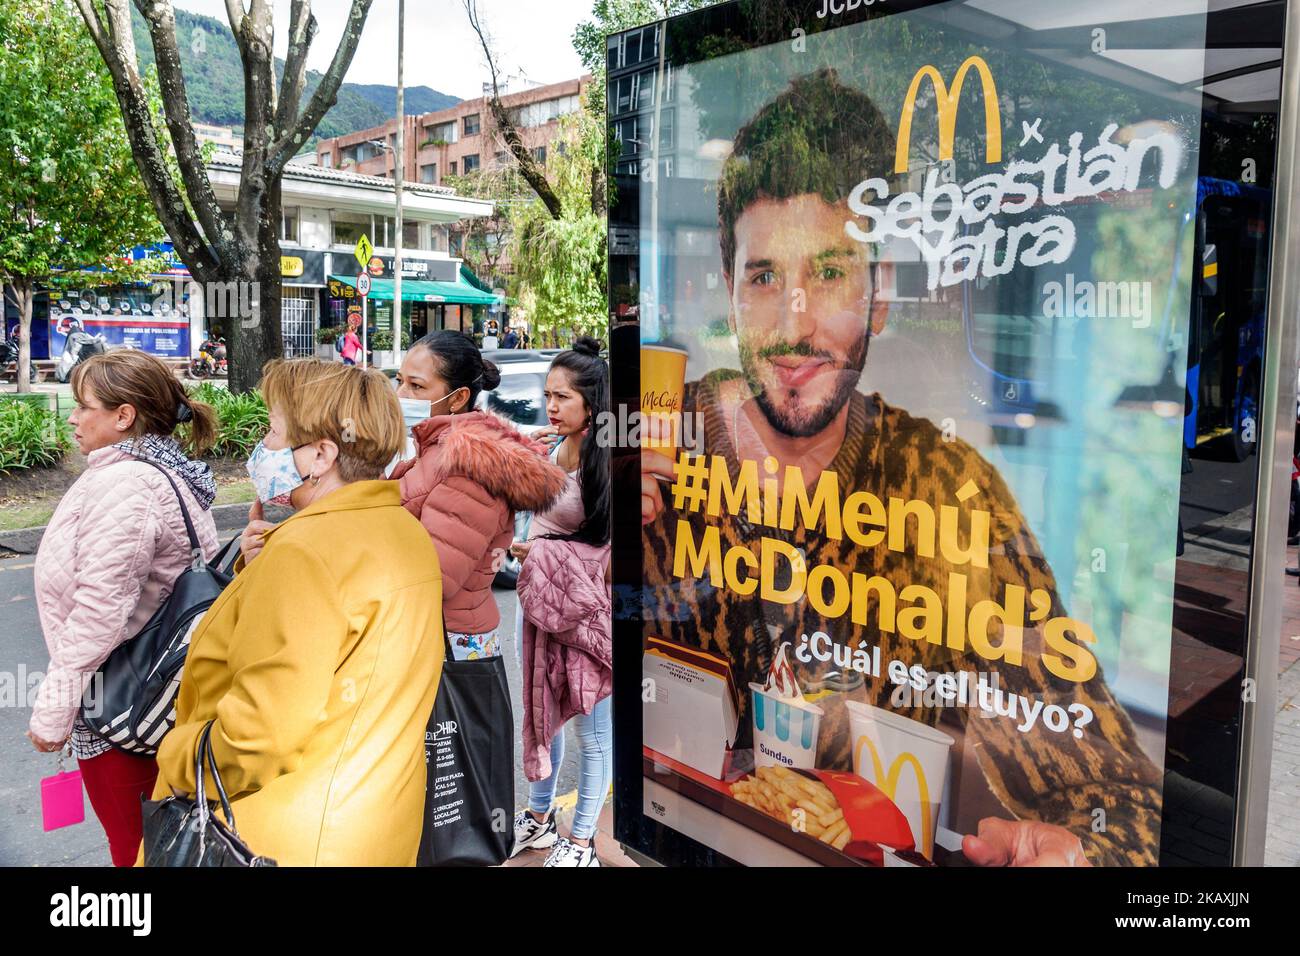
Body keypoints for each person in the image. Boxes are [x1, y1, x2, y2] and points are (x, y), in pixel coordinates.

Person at [638, 68, 1161, 867]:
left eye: (831, 270)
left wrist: (1084, 856)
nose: (794, 325)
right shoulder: (658, 441)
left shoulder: (944, 487)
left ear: (881, 292)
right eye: (766, 276)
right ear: (730, 292)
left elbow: (1118, 798)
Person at [157, 358, 444, 866]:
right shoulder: (403, 530)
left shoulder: (305, 551)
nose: (261, 449)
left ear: (320, 455)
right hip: (374, 825)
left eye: (272, 431)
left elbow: (255, 738)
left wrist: (176, 756)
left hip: (283, 835)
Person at [28, 350, 220, 866]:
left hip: (122, 704)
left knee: (138, 851)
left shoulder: (129, 483)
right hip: (155, 693)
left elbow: (101, 608)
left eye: (82, 405)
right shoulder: (158, 470)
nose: (72, 417)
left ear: (123, 415)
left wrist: (55, 707)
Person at [390, 330, 567, 659]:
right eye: (400, 381)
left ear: (457, 398)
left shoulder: (469, 465)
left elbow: (437, 575)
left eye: (416, 386)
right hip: (434, 637)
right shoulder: (434, 449)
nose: (401, 394)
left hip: (448, 649)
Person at [509, 338, 613, 867]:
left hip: (586, 618)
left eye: (561, 397)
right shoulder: (553, 447)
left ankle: (581, 843)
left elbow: (608, 551)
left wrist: (545, 553)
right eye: (547, 395)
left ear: (591, 404)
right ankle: (540, 819)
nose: (550, 406)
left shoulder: (608, 459)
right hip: (542, 607)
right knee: (543, 715)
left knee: (594, 734)